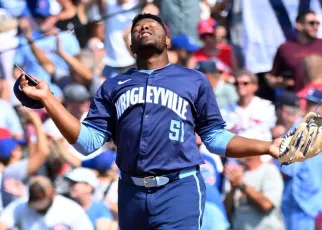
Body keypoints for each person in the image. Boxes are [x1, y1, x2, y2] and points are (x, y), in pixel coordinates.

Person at [18, 13, 282, 230]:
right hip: (130, 192)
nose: (143, 27)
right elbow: (88, 142)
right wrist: (48, 99)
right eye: (137, 28)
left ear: (167, 40)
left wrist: (267, 146)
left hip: (179, 187)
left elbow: (215, 138)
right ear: (131, 47)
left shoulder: (193, 80)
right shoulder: (113, 85)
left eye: (152, 26)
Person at [275, 88, 322, 230]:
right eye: (307, 103)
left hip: (300, 203)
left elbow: (288, 169)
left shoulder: (304, 127)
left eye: (312, 104)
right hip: (315, 202)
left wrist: (269, 160)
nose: (307, 108)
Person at [0, 176, 93, 230]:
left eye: (42, 203)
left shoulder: (71, 209)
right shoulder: (21, 205)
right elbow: (3, 222)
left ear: (52, 194)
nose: (39, 208)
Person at [224, 156, 285, 230]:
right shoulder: (236, 173)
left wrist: (241, 185)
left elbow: (266, 205)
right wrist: (232, 190)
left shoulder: (269, 170)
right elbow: (225, 211)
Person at [269, 10, 322, 92]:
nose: (315, 26)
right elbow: (273, 78)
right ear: (299, 25)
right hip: (295, 100)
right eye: (311, 23)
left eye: (317, 23)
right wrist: (284, 82)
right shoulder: (285, 48)